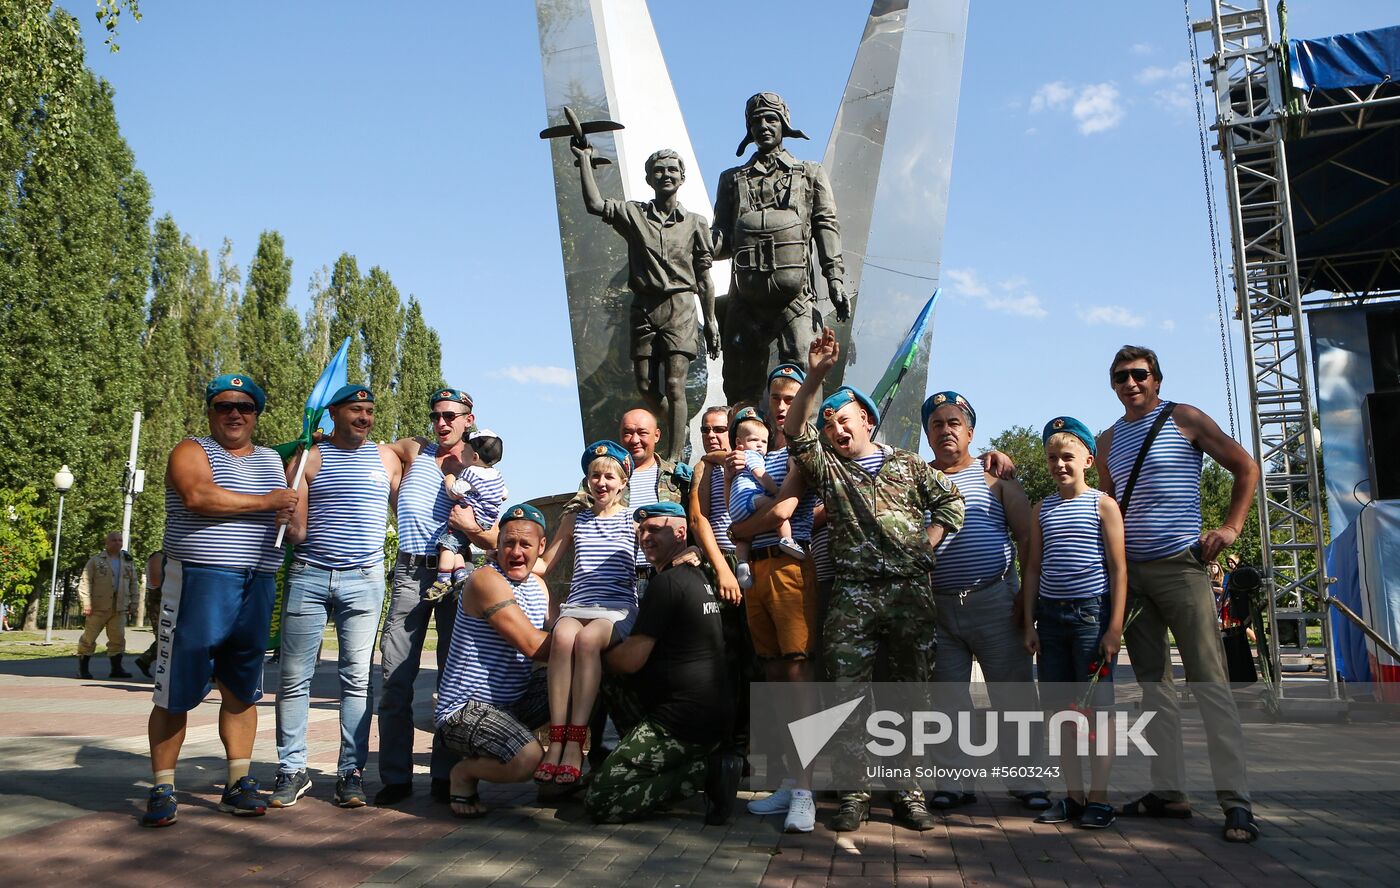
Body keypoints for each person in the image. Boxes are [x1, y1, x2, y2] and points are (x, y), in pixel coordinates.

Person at [785, 328, 965, 833]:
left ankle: (909, 794)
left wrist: (926, 544)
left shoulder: (908, 464)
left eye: (844, 420)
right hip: (853, 593)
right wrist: (815, 376)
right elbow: (796, 429)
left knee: (911, 695)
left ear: (866, 419)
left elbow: (952, 503)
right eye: (830, 425)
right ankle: (854, 793)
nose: (837, 430)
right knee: (847, 694)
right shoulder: (828, 469)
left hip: (909, 593)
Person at [1096, 345, 1260, 843]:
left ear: (1157, 379)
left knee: (1210, 684)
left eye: (1139, 374)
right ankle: (1168, 793)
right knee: (1153, 690)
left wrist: (1231, 528)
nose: (1130, 383)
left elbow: (1246, 467)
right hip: (1133, 577)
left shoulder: (1184, 418)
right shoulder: (1106, 440)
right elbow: (1108, 507)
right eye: (1121, 377)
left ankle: (1236, 803)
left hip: (1182, 568)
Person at [142, 374, 296, 827]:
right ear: (210, 412)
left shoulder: (270, 460)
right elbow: (198, 497)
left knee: (242, 689)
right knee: (175, 691)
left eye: (244, 407)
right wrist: (268, 502)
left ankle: (238, 783)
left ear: (256, 415)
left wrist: (289, 514)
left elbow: (285, 516)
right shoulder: (191, 450)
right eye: (224, 406)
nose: (234, 414)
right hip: (198, 580)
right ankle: (162, 787)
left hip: (257, 581)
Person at [270, 384, 402, 810]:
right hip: (309, 575)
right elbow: (298, 533)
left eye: (369, 411)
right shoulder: (309, 458)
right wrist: (284, 515)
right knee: (293, 678)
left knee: (357, 679)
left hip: (364, 580)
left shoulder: (386, 458)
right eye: (355, 410)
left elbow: (406, 510)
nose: (364, 418)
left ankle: (350, 773)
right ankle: (292, 769)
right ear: (334, 414)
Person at [921, 391, 1049, 812]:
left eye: (954, 423)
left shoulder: (996, 477)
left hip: (995, 601)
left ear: (970, 432)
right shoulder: (916, 479)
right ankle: (952, 782)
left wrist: (1026, 601)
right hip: (938, 607)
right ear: (928, 434)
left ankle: (1027, 781)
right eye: (936, 424)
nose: (945, 430)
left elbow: (1027, 538)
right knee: (947, 700)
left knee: (1013, 696)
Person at [377, 387, 496, 806]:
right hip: (411, 573)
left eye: (450, 415)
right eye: (436, 415)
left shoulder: (480, 463)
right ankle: (395, 777)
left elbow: (495, 536)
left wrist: (470, 527)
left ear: (468, 419)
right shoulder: (416, 450)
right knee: (395, 678)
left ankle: (447, 775)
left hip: (458, 574)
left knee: (453, 678)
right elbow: (375, 450)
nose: (441, 423)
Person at [585, 501, 735, 823]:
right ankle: (643, 762)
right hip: (707, 714)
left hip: (680, 722)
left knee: (601, 800)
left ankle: (708, 771)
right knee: (614, 682)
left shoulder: (666, 584)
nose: (645, 537)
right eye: (641, 531)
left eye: (654, 529)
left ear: (680, 533)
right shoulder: (697, 575)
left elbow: (630, 660)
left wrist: (592, 655)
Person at [572, 142, 719, 463]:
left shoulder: (696, 223)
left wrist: (711, 322)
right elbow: (595, 204)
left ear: (682, 178)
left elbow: (705, 278)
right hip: (644, 307)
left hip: (680, 307)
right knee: (645, 385)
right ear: (649, 179)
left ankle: (675, 457)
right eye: (658, 171)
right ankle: (678, 425)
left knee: (676, 385)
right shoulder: (633, 213)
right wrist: (584, 160)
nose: (666, 175)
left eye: (672, 170)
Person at [726, 362, 822, 832]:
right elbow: (732, 511)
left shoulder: (803, 451)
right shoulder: (751, 453)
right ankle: (788, 779)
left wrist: (740, 530)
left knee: (798, 673)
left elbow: (783, 508)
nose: (783, 406)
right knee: (774, 673)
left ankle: (807, 787)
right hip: (757, 570)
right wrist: (740, 527)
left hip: (789, 564)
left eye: (792, 398)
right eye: (777, 398)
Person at [1022, 416, 1127, 830]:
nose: (1059, 465)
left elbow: (1118, 569)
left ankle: (1100, 798)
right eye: (1052, 458)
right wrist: (1029, 622)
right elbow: (1033, 567)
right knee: (1061, 712)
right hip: (1050, 619)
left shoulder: (1103, 504)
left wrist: (1114, 628)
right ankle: (1073, 795)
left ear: (1087, 460)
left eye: (1067, 456)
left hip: (1090, 617)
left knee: (1097, 712)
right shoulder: (1042, 509)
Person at [711, 92, 850, 406]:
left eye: (771, 119)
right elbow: (723, 238)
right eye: (756, 121)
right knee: (739, 385)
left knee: (804, 373)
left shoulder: (810, 173)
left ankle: (802, 437)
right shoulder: (731, 179)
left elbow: (826, 225)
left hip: (795, 297)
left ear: (784, 124)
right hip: (745, 298)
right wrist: (695, 243)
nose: (763, 126)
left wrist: (835, 279)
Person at [434, 504, 553, 818]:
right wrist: (594, 641)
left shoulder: (539, 587)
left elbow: (556, 637)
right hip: (465, 710)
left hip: (512, 704)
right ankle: (464, 773)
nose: (516, 551)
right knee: (527, 759)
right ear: (497, 544)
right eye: (508, 543)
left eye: (525, 544)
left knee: (585, 680)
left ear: (541, 547)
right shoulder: (486, 580)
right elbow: (534, 645)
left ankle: (558, 776)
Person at [533, 441, 638, 786]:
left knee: (588, 640)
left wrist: (689, 551)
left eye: (609, 477)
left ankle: (576, 742)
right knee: (563, 637)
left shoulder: (633, 520)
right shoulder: (575, 520)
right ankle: (557, 739)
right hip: (579, 603)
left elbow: (660, 551)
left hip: (617, 607)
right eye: (595, 476)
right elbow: (544, 565)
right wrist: (504, 557)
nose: (601, 483)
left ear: (622, 482)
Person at [727, 407, 804, 588]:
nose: (760, 445)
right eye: (754, 440)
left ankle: (741, 563)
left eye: (763, 441)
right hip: (749, 499)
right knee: (774, 506)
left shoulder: (796, 454)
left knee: (744, 540)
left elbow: (738, 529)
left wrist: (737, 531)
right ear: (739, 442)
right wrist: (776, 492)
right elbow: (762, 476)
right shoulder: (751, 456)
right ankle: (787, 539)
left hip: (738, 509)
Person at [428, 428, 507, 600]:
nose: (461, 454)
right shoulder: (497, 475)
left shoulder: (471, 472)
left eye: (464, 451)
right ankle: (461, 575)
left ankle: (442, 579)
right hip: (486, 521)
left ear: (475, 457)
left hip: (470, 516)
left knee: (446, 545)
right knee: (458, 547)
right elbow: (504, 494)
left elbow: (455, 492)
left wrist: (449, 479)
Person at [76, 531, 139, 680]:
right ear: (107, 543)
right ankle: (83, 669)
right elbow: (85, 582)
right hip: (98, 607)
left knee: (118, 638)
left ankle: (116, 669)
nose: (118, 543)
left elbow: (133, 583)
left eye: (120, 540)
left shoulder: (127, 561)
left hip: (119, 606)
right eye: (114, 540)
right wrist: (86, 603)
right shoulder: (96, 560)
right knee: (89, 638)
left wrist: (134, 603)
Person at [134, 550, 166, 678]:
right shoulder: (158, 556)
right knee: (164, 637)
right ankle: (146, 661)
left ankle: (144, 660)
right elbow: (156, 581)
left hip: (168, 601)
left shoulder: (173, 557)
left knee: (170, 637)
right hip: (158, 602)